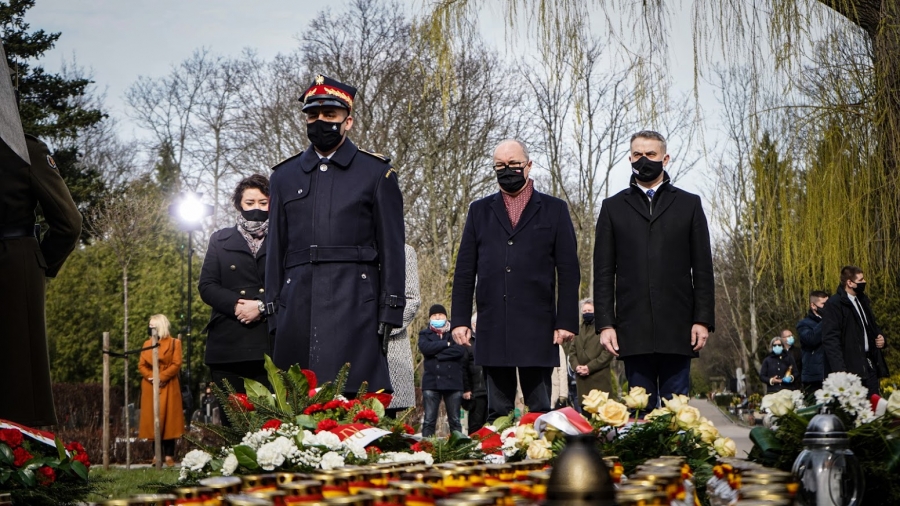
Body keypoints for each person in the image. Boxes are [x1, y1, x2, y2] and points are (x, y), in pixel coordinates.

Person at [265, 75, 405, 393]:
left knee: (356, 401)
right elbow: (275, 249)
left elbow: (392, 249)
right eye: (313, 115)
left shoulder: (377, 173)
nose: (320, 122)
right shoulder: (284, 177)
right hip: (298, 304)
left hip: (356, 303)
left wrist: (391, 308)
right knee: (296, 400)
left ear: (348, 121)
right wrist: (273, 309)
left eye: (330, 114)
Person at [451, 139, 580, 422]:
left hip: (538, 326)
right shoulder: (479, 210)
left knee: (540, 410)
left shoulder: (555, 209)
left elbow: (569, 270)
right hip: (493, 324)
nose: (507, 170)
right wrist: (459, 319)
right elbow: (464, 270)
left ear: (528, 165)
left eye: (513, 164)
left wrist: (567, 321)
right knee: (497, 413)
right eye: (500, 165)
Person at [594, 130, 714, 410]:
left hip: (678, 328)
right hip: (632, 329)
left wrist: (703, 319)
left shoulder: (689, 204)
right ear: (630, 158)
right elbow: (603, 273)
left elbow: (703, 269)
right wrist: (606, 324)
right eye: (637, 154)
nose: (644, 160)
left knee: (677, 413)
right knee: (639, 413)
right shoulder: (613, 208)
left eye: (651, 154)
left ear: (665, 158)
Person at [0, 42, 82, 426]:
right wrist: (41, 263)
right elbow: (68, 222)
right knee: (21, 374)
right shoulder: (26, 150)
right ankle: (23, 451)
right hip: (15, 263)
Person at [199, 175, 272, 417]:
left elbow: (292, 285)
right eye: (250, 203)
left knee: (272, 424)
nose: (256, 208)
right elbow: (207, 285)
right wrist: (236, 305)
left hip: (270, 344)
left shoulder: (284, 240)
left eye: (263, 202)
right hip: (228, 345)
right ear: (239, 204)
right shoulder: (220, 240)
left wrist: (261, 306)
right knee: (234, 423)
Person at [822, 266, 889, 396]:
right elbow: (831, 340)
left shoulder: (863, 300)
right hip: (851, 368)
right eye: (860, 280)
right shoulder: (835, 304)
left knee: (875, 402)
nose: (864, 282)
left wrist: (881, 338)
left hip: (869, 363)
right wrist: (840, 372)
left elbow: (871, 326)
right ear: (850, 283)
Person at [138, 314, 185, 466]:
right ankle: (156, 454)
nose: (150, 328)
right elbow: (141, 365)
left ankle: (169, 455)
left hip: (169, 384)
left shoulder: (174, 343)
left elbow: (176, 363)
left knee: (170, 421)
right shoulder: (147, 343)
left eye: (153, 326)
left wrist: (161, 377)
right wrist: (152, 377)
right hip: (150, 385)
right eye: (149, 326)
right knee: (152, 420)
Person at [385, 244, 422, 418]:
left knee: (387, 416)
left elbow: (412, 300)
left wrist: (383, 327)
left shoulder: (404, 251)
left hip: (390, 344)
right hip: (352, 347)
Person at [419, 305, 466, 436]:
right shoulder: (424, 334)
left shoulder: (455, 333)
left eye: (440, 314)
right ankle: (426, 445)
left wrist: (436, 354)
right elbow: (425, 348)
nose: (438, 317)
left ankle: (458, 445)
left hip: (453, 383)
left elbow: (460, 351)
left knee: (455, 420)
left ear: (446, 316)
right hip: (431, 382)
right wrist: (446, 344)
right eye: (434, 315)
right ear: (430, 318)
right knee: (428, 420)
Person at [565, 299, 614, 402]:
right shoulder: (578, 330)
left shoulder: (603, 330)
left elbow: (608, 353)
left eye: (589, 310)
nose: (587, 313)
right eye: (585, 311)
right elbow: (572, 352)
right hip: (582, 381)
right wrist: (576, 366)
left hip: (600, 379)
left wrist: (590, 367)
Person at [798, 290, 829, 394]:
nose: (827, 307)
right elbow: (811, 339)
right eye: (824, 304)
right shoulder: (804, 324)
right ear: (813, 306)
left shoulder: (833, 322)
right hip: (815, 377)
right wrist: (826, 320)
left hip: (832, 374)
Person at [462, 313, 488, 432]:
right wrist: (466, 389)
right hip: (476, 391)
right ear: (473, 325)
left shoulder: (490, 343)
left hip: (490, 391)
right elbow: (463, 368)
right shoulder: (468, 344)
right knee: (475, 425)